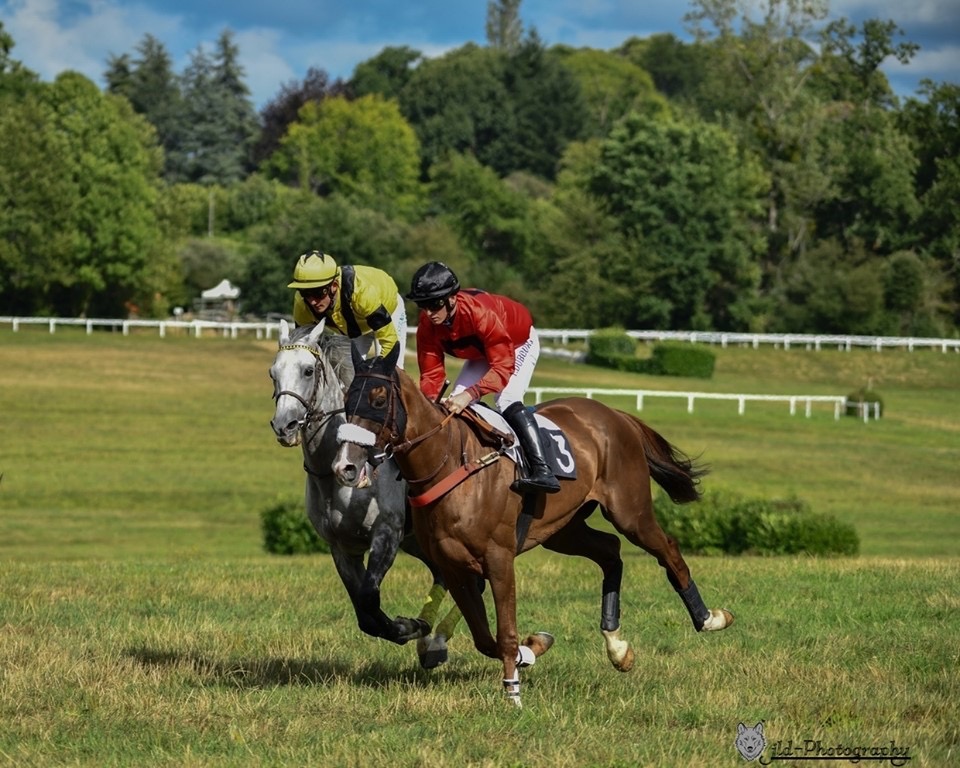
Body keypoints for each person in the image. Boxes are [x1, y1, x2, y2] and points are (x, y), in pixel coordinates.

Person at [407, 261, 560, 494]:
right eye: (422, 305)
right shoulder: (427, 325)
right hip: (483, 352)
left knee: (506, 399)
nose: (429, 313)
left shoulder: (480, 314)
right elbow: (431, 373)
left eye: (434, 304)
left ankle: (543, 470)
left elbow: (502, 366)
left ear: (451, 299)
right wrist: (429, 404)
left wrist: (472, 393)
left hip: (517, 343)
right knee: (453, 404)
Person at [288, 250, 407, 368]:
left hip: (388, 312)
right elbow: (302, 348)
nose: (312, 301)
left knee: (392, 370)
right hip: (354, 325)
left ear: (334, 286)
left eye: (318, 293)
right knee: (347, 372)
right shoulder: (302, 303)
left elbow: (390, 342)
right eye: (305, 293)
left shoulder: (360, 293)